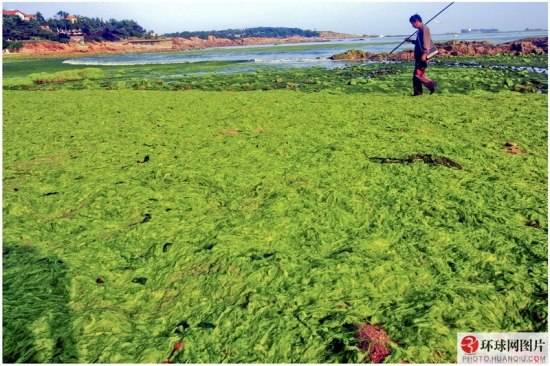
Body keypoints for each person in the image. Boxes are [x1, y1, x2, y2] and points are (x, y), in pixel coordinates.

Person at [406, 14, 437, 95]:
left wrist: (425, 54)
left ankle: (431, 85)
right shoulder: (420, 30)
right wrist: (410, 41)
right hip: (419, 56)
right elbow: (419, 43)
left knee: (418, 75)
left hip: (422, 56)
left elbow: (426, 42)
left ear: (416, 21)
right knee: (418, 75)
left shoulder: (424, 29)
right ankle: (420, 92)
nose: (412, 25)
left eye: (412, 23)